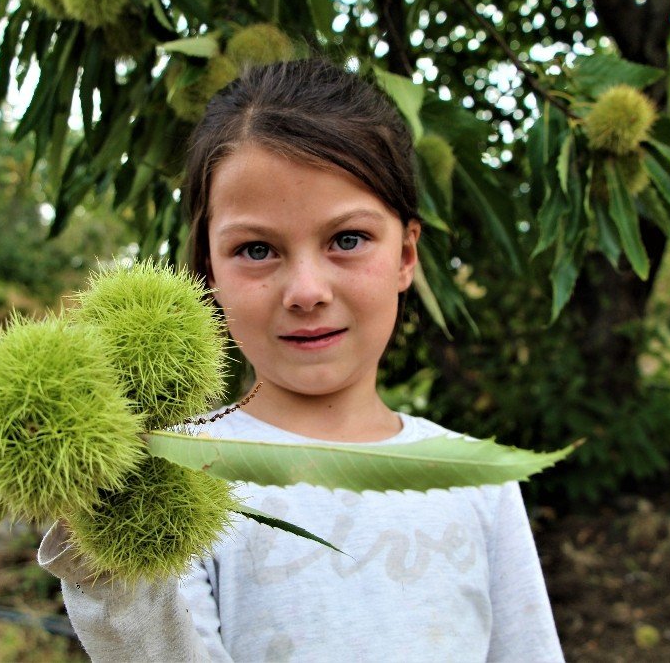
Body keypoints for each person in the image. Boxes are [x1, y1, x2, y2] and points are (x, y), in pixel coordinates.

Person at [39, 59, 564, 662]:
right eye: (256, 249)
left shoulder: (480, 480)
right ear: (208, 274)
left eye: (347, 239)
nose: (306, 291)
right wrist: (97, 537)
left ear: (406, 254)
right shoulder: (174, 473)